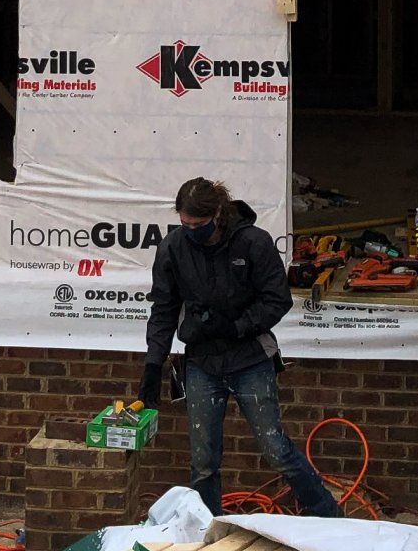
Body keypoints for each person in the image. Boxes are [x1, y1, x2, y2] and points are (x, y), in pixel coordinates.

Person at [139, 176, 343, 517]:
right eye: (184, 223)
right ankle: (206, 528)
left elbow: (277, 300)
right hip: (203, 361)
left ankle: (326, 515)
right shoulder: (173, 248)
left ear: (217, 213)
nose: (190, 231)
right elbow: (163, 309)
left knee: (274, 448)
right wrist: (152, 364)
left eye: (198, 224)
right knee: (203, 461)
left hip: (250, 358)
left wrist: (236, 327)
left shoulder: (253, 243)